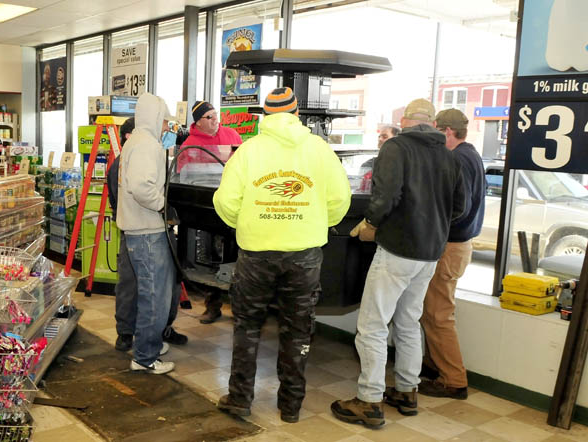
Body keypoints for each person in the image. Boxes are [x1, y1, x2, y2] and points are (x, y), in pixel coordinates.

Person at [213, 87, 351, 423]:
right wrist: (314, 222)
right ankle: (291, 405)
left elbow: (225, 202)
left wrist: (248, 225)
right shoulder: (320, 150)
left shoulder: (248, 151)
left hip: (256, 254)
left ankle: (240, 399)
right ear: (297, 114)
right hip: (304, 253)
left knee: (247, 326)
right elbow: (340, 201)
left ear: (265, 115)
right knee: (299, 329)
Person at [331, 98, 466, 429]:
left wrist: (369, 225)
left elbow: (385, 197)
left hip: (398, 250)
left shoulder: (396, 147)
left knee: (373, 326)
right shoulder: (449, 156)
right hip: (431, 253)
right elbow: (460, 207)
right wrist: (432, 227)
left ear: (404, 120)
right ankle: (407, 391)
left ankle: (370, 400)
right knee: (408, 322)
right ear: (433, 123)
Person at [419, 109, 486, 399]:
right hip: (458, 247)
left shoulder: (457, 159)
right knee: (431, 312)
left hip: (450, 247)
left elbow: (457, 208)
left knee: (438, 315)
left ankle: (454, 380)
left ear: (446, 131)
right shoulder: (471, 155)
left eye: (435, 131)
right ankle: (434, 367)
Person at [107, 118, 188, 352]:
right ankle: (128, 333)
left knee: (166, 285)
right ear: (129, 136)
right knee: (133, 286)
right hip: (137, 232)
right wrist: (160, 206)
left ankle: (161, 329)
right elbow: (125, 198)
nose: (165, 131)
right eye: (161, 126)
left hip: (158, 229)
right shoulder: (123, 163)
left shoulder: (155, 156)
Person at [116, 93, 177, 375]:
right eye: (164, 121)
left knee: (147, 293)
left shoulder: (134, 142)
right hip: (148, 231)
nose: (167, 127)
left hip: (137, 231)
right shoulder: (147, 145)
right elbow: (141, 188)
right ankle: (144, 357)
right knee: (155, 296)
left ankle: (147, 343)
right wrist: (165, 206)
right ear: (155, 118)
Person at [178, 100, 244, 324]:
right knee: (209, 258)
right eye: (210, 117)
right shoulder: (189, 144)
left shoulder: (233, 136)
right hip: (205, 210)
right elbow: (182, 175)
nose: (216, 119)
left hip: (233, 206)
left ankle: (239, 309)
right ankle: (212, 305)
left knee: (235, 256)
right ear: (198, 122)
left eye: (216, 115)